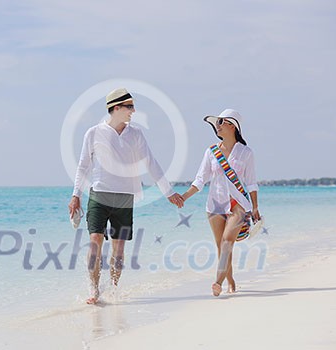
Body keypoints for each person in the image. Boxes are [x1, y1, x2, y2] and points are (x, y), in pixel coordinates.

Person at [68, 87, 184, 304]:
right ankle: (94, 291)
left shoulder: (136, 134)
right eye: (129, 106)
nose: (133, 110)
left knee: (118, 249)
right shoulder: (93, 133)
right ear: (116, 108)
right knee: (95, 242)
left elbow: (151, 162)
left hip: (124, 198)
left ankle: (112, 289)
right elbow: (83, 166)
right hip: (99, 195)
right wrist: (76, 195)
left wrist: (167, 192)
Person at [181, 109, 260, 296]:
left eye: (221, 122)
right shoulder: (211, 152)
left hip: (238, 204)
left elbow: (251, 183)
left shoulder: (246, 153)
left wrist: (255, 207)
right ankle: (230, 280)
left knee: (227, 242)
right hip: (215, 204)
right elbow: (200, 180)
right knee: (221, 246)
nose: (218, 126)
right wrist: (184, 196)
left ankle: (217, 281)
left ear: (232, 125)